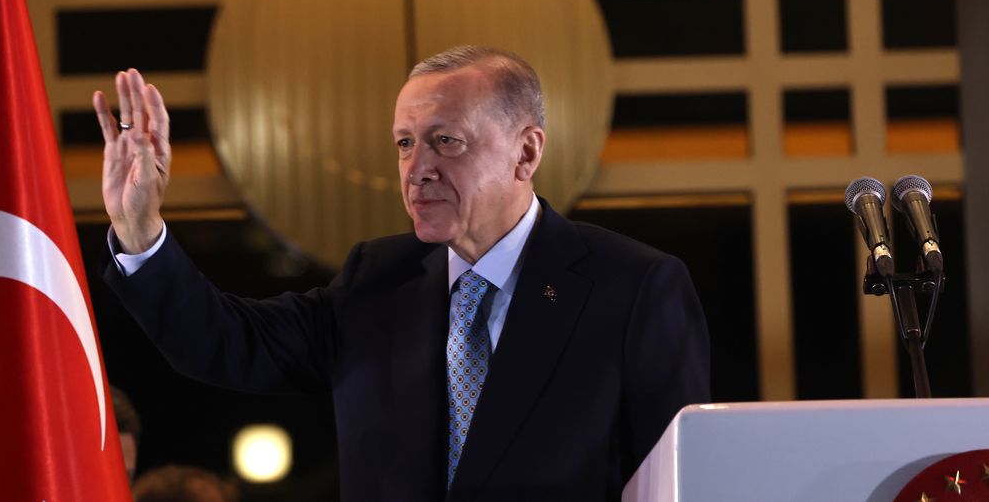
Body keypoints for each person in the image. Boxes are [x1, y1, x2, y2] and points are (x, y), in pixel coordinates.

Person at [93, 46, 710, 501]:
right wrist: (140, 231)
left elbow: (681, 484)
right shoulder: (375, 279)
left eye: (446, 142)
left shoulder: (631, 288)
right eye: (405, 144)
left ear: (526, 152)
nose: (417, 169)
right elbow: (228, 343)